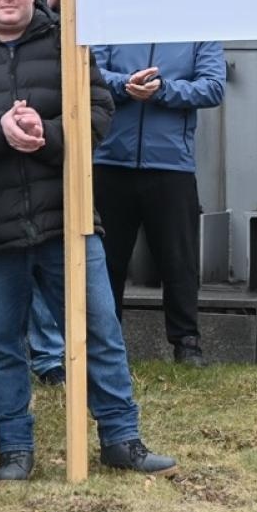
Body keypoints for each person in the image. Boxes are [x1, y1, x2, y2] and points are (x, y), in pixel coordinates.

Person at [0, 0, 178, 481]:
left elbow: (99, 110)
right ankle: (15, 448)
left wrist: (46, 136)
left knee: (100, 330)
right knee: (1, 342)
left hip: (69, 219)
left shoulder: (66, 44)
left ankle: (122, 438)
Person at [92, 41, 226, 359]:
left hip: (172, 165)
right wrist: (125, 85)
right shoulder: (112, 23)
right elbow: (88, 74)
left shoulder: (198, 30)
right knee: (105, 261)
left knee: (179, 260)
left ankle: (187, 344)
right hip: (110, 160)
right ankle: (104, 346)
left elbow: (213, 87)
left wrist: (162, 89)